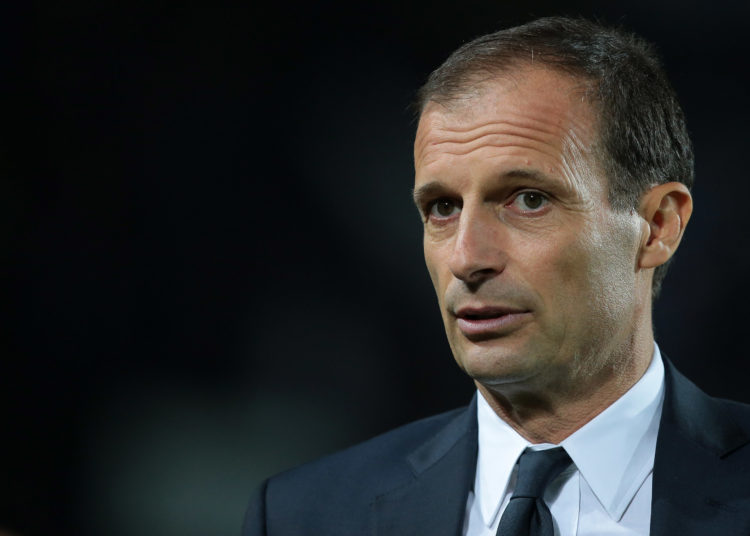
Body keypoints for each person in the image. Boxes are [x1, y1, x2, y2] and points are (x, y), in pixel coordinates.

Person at [243, 17, 750, 535]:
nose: (466, 258)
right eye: (442, 208)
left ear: (657, 226)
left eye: (528, 200)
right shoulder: (302, 516)